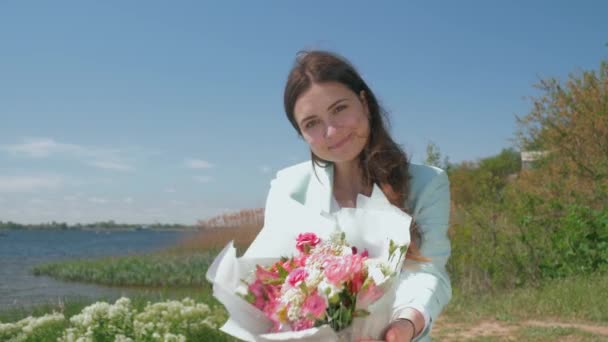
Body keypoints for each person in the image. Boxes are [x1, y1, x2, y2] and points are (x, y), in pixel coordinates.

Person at [244, 50, 452, 342]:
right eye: (311, 123)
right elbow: (275, 280)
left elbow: (430, 272)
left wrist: (405, 325)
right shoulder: (288, 187)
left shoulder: (427, 184)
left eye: (339, 109)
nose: (330, 131)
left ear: (364, 103)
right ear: (301, 134)